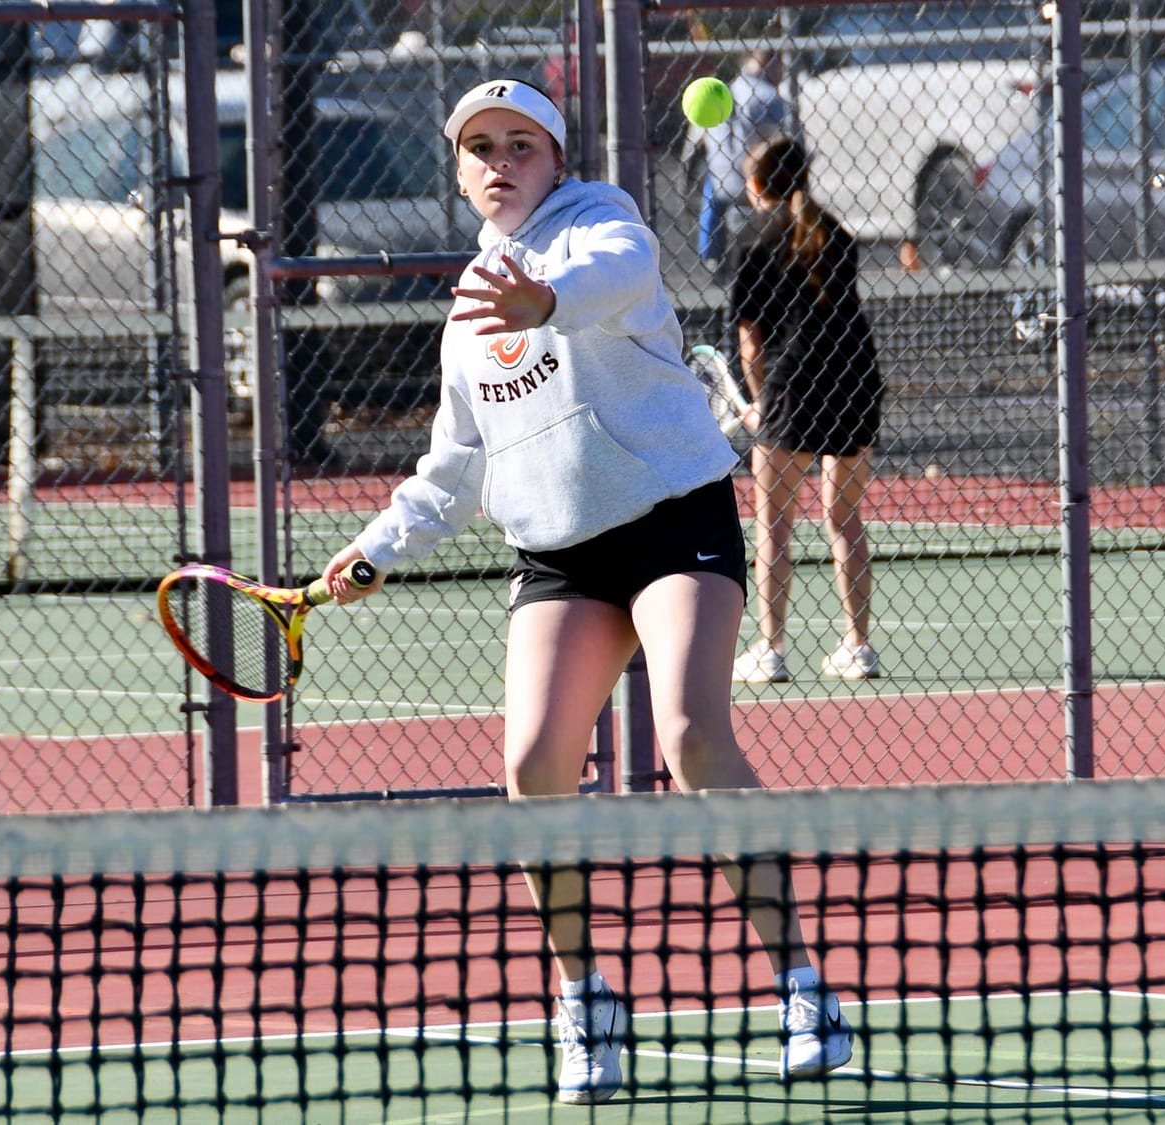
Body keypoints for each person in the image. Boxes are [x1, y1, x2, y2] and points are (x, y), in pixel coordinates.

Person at [318, 79, 853, 1105]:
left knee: (691, 732)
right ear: (462, 169)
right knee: (531, 764)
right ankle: (584, 1002)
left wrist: (546, 301)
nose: (500, 161)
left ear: (556, 160)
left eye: (521, 144)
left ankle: (799, 984)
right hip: (559, 560)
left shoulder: (598, 221)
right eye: (480, 147)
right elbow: (452, 470)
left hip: (673, 521)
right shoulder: (466, 315)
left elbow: (616, 273)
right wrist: (376, 549)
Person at [726, 136, 886, 684]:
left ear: (754, 186)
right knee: (844, 519)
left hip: (793, 384)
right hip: (857, 378)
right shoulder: (834, 232)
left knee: (774, 526)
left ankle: (770, 650)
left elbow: (752, 342)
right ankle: (858, 647)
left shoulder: (751, 237)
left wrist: (759, 402)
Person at [697, 48, 790, 265]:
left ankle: (709, 254)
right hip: (755, 180)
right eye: (780, 66)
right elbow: (781, 145)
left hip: (721, 179)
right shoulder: (769, 96)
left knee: (711, 186)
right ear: (770, 64)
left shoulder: (723, 90)